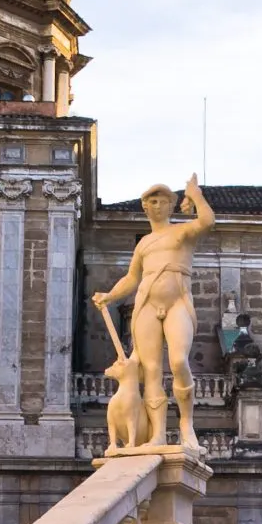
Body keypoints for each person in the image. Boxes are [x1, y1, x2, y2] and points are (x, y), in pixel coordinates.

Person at [94, 176, 216, 452]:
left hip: (178, 303)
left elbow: (207, 221)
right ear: (145, 208)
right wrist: (110, 296)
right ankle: (158, 435)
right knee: (150, 371)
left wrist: (195, 196)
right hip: (146, 304)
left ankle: (186, 424)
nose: (157, 205)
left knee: (177, 362)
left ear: (171, 206)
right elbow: (131, 278)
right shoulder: (143, 245)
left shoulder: (181, 233)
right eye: (152, 202)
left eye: (162, 201)